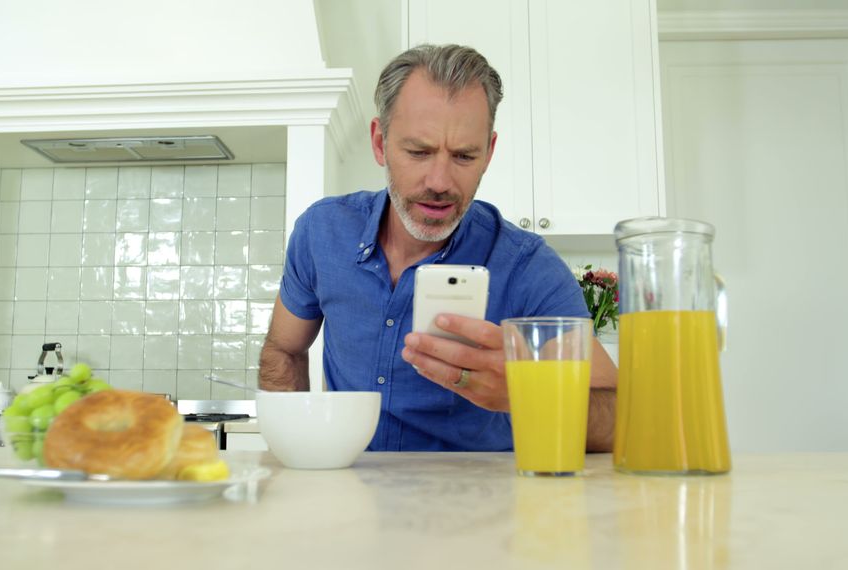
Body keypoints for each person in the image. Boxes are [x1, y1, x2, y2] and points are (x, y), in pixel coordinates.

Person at [259, 44, 617, 452]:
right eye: (419, 152)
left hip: (477, 507)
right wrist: (298, 453)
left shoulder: (527, 266)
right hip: (347, 494)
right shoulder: (321, 232)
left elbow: (620, 416)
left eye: (464, 155)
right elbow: (283, 350)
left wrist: (529, 391)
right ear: (380, 143)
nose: (440, 181)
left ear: (489, 153)